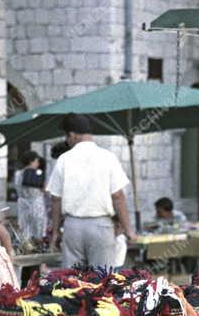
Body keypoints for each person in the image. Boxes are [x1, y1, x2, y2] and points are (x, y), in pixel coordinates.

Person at [46, 113, 134, 268]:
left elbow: (55, 199)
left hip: (72, 227)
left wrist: (55, 233)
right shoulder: (108, 157)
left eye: (67, 137)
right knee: (102, 282)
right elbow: (118, 196)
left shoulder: (64, 159)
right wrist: (128, 230)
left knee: (72, 282)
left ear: (72, 135)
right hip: (101, 227)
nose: (67, 141)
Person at [14, 150, 47, 244]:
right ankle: (38, 244)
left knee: (25, 228)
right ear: (31, 161)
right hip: (36, 202)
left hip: (22, 202)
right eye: (36, 161)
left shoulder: (18, 174)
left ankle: (25, 247)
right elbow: (44, 189)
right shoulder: (37, 173)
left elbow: (17, 187)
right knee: (38, 226)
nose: (38, 163)